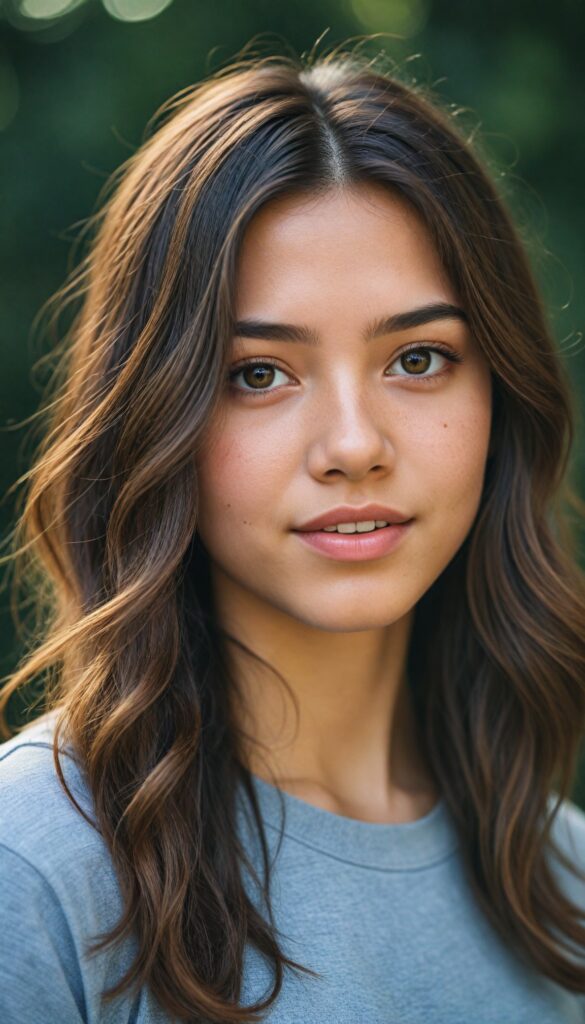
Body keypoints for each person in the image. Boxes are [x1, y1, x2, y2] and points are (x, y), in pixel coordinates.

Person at [0, 44, 584, 1024]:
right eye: (258, 373)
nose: (354, 445)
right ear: (156, 417)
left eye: (419, 357)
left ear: (501, 399)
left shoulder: (561, 880)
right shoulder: (39, 872)